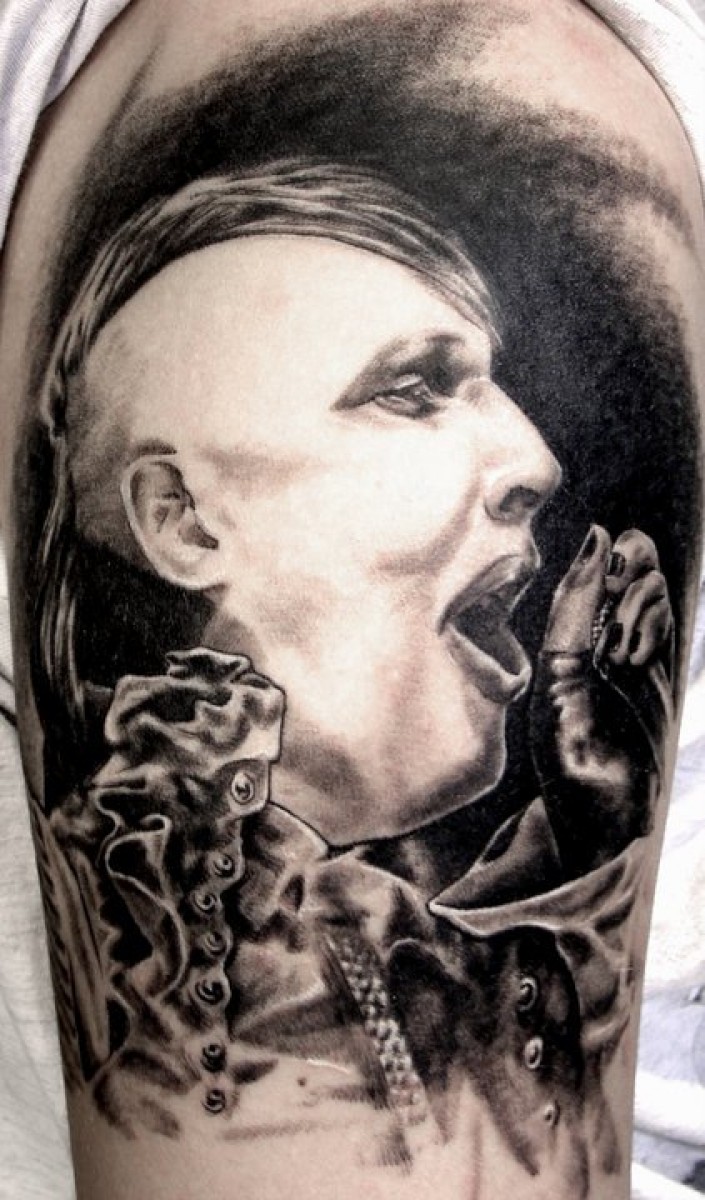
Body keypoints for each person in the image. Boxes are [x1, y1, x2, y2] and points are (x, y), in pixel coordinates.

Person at [27, 161, 674, 1196]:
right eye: (411, 390)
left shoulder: (274, 922)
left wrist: (589, 840)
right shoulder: (167, 937)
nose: (536, 462)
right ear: (186, 521)